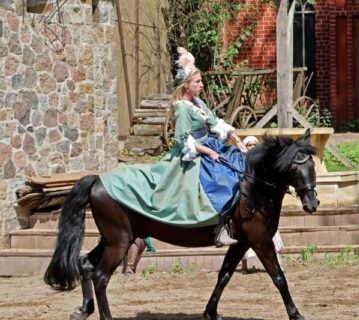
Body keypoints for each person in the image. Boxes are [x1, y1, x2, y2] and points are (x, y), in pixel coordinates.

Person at [100, 47, 248, 247]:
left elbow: (214, 123)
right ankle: (218, 228)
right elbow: (183, 140)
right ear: (187, 86)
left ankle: (234, 221)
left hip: (210, 145)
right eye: (198, 82)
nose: (202, 84)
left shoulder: (198, 103)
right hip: (193, 153)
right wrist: (208, 151)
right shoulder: (182, 108)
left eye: (200, 81)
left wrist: (234, 136)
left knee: (236, 168)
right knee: (219, 181)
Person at [239, 136, 286, 273]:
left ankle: (279, 264)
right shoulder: (241, 160)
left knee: (272, 231)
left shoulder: (263, 163)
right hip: (247, 200)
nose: (252, 147)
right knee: (243, 233)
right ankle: (244, 266)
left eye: (254, 144)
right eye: (249, 145)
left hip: (262, 203)